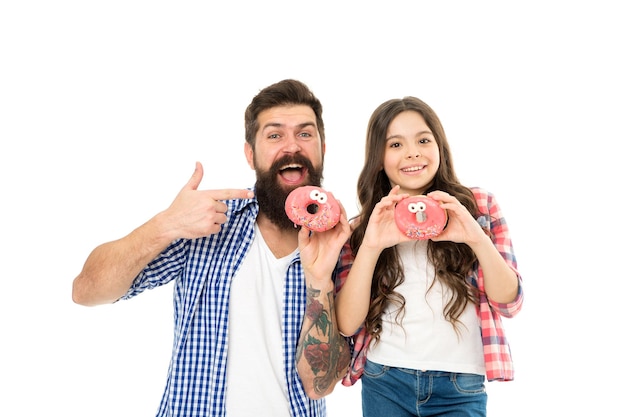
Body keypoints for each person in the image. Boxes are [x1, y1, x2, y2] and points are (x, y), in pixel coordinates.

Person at [72, 79, 352, 417]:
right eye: (275, 135)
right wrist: (167, 224)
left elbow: (319, 385)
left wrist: (320, 279)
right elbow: (86, 290)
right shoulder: (205, 224)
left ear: (323, 149)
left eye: (305, 134)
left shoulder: (343, 246)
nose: (291, 147)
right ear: (250, 154)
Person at [334, 96, 524, 416]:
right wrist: (371, 245)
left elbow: (510, 302)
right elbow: (346, 324)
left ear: (440, 148)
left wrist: (473, 236)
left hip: (460, 385)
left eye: (423, 140)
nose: (412, 152)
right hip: (386, 380)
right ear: (378, 158)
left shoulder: (479, 207)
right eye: (395, 144)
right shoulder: (363, 227)